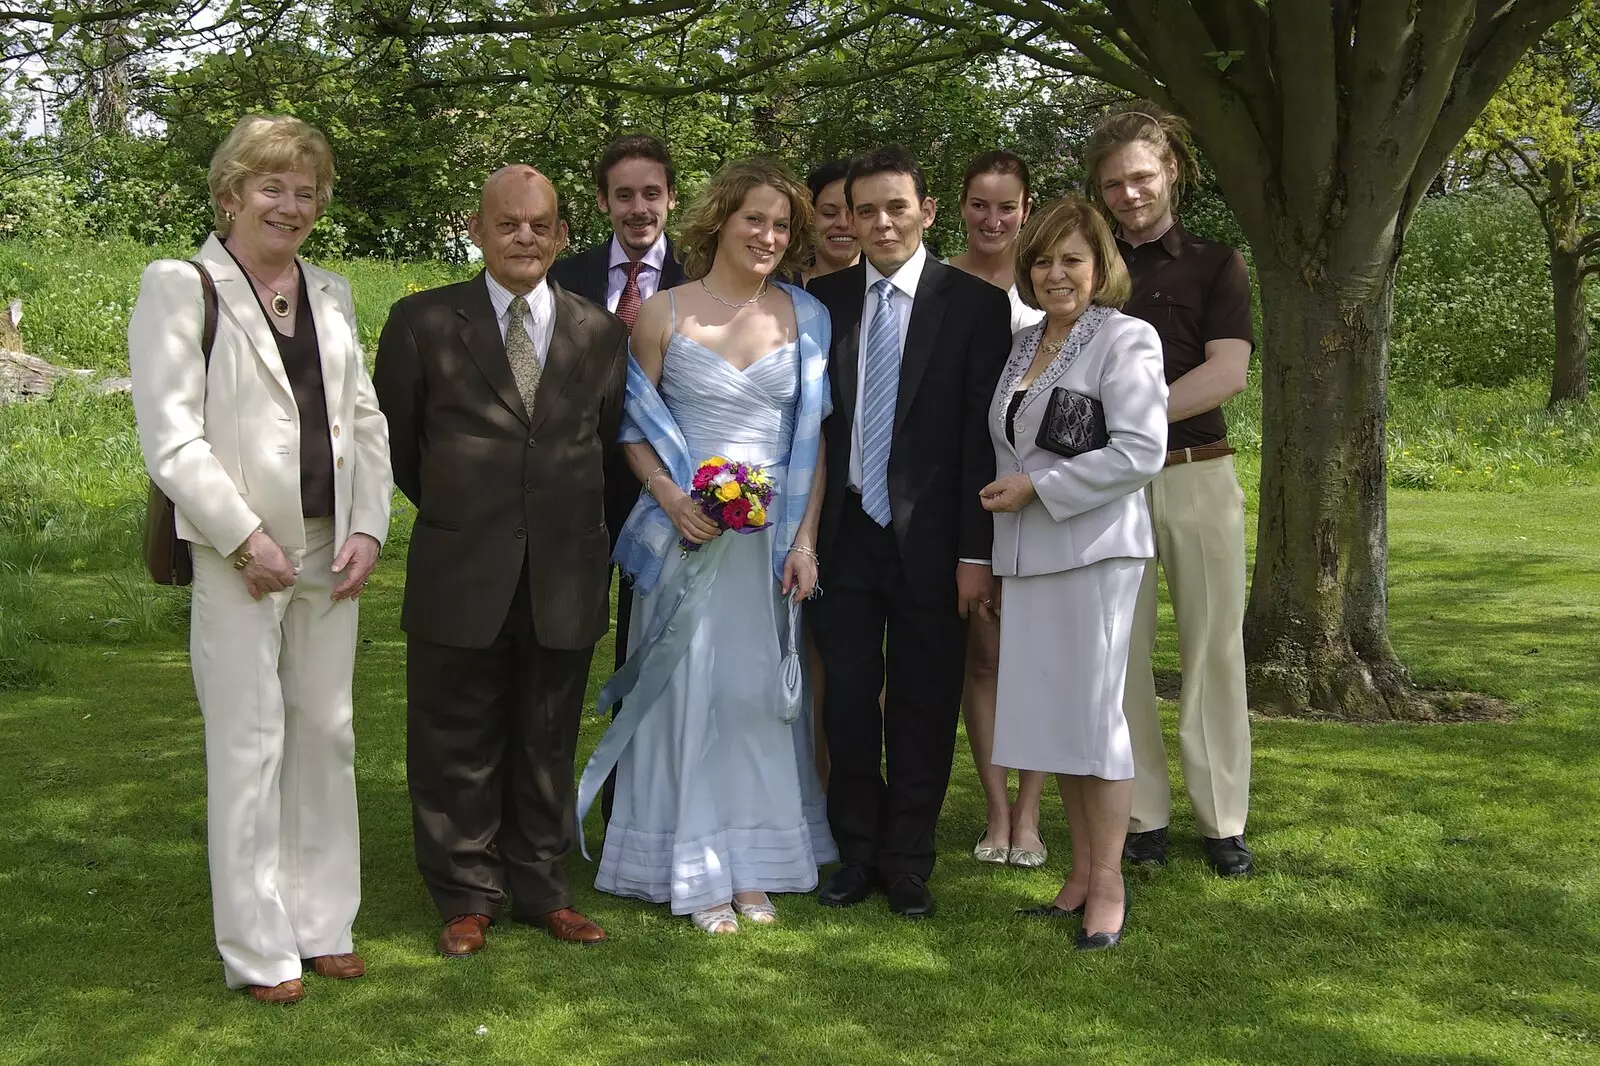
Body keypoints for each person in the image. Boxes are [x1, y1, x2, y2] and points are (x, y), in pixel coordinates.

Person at [128, 114, 392, 1003]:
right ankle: (258, 947)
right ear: (231, 193)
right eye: (272, 187)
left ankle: (321, 923)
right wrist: (246, 538)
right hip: (238, 554)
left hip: (330, 550)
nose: (292, 204)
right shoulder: (181, 286)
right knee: (248, 747)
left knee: (327, 734)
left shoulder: (333, 291)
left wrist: (368, 527)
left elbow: (364, 420)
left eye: (306, 190)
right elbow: (171, 439)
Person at [574, 158, 837, 934]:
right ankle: (692, 862)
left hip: (770, 546)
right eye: (755, 218)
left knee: (755, 702)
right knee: (685, 693)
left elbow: (810, 442)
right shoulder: (662, 313)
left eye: (782, 224)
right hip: (683, 537)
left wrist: (807, 541)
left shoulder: (805, 316)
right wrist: (670, 496)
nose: (768, 234)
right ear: (720, 218)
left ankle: (751, 861)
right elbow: (631, 428)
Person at [374, 165, 627, 956]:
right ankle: (465, 894)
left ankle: (543, 887)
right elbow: (402, 448)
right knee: (455, 737)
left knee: (546, 736)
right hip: (463, 564)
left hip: (564, 570)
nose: (524, 236)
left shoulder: (599, 331)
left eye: (540, 224)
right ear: (477, 231)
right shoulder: (421, 322)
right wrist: (471, 515)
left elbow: (608, 448)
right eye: (507, 223)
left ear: (560, 235)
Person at [807, 145, 1012, 919]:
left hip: (934, 546)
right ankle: (856, 851)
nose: (881, 222)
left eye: (897, 207)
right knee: (851, 700)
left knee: (925, 702)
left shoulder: (976, 304)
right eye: (866, 210)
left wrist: (973, 556)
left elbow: (978, 440)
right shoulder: (820, 300)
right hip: (844, 535)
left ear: (927, 211)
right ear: (849, 218)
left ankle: (909, 859)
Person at [979, 195, 1168, 950]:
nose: (1055, 273)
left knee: (1095, 721)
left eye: (1071, 259)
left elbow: (1139, 450)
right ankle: (1082, 874)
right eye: (1042, 260)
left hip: (1094, 553)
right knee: (1060, 725)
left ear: (1100, 267)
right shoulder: (1024, 344)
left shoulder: (1127, 340)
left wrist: (1040, 489)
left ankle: (1111, 884)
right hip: (1029, 556)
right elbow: (1014, 446)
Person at [1086, 101, 1257, 878]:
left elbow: (1227, 374)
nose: (1129, 194)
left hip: (1197, 476)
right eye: (1114, 184)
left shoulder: (1217, 263)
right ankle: (1143, 816)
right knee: (1118, 654)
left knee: (1213, 648)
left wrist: (1132, 416)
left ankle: (1222, 820)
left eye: (1142, 178)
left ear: (1172, 174)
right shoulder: (1090, 271)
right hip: (1110, 490)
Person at [549, 133, 685, 822]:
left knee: (652, 649)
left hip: (664, 499)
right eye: (624, 195)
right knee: (561, 651)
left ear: (670, 197)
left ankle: (633, 810)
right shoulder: (561, 277)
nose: (639, 208)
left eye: (651, 193)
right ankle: (546, 806)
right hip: (574, 496)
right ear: (603, 201)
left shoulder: (700, 280)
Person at [944, 149, 1048, 868]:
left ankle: (1033, 813)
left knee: (1036, 659)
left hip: (1041, 496)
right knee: (981, 659)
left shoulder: (1048, 289)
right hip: (969, 492)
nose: (992, 218)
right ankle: (994, 806)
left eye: (1006, 206)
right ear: (959, 207)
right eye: (980, 204)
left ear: (1026, 208)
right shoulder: (940, 285)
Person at [804, 159, 861, 282]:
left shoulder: (887, 293)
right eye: (829, 213)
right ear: (810, 218)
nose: (843, 223)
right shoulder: (779, 293)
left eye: (853, 213)